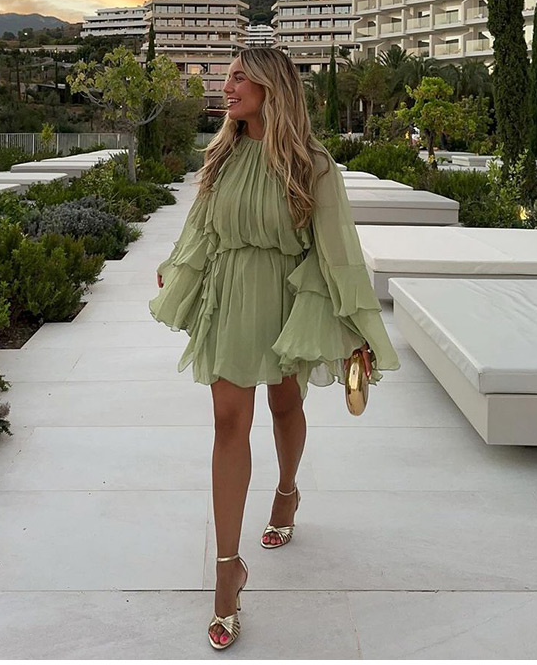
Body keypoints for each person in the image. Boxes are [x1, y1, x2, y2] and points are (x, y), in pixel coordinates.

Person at [148, 48, 400, 651]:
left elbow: (339, 249)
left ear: (271, 87)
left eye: (240, 77)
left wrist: (359, 328)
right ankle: (226, 573)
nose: (227, 85)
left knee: (285, 405)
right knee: (228, 422)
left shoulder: (313, 165)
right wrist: (178, 268)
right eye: (228, 76)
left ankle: (287, 491)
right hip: (232, 295)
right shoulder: (222, 157)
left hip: (290, 296)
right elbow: (201, 228)